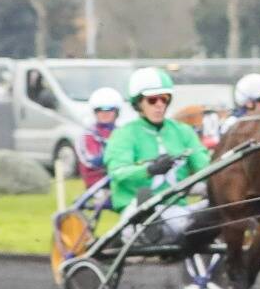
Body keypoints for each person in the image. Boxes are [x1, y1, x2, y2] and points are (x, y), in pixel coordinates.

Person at [101, 66, 210, 236]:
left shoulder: (183, 132)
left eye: (164, 99)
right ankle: (147, 230)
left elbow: (205, 167)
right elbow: (118, 173)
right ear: (139, 103)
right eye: (152, 100)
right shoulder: (124, 135)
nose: (159, 105)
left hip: (177, 208)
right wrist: (150, 170)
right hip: (137, 208)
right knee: (148, 204)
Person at [77, 87, 122, 189]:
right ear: (95, 112)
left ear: (117, 112)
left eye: (109, 110)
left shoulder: (123, 133)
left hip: (121, 183)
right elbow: (92, 161)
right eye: (100, 110)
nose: (105, 113)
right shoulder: (87, 135)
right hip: (98, 187)